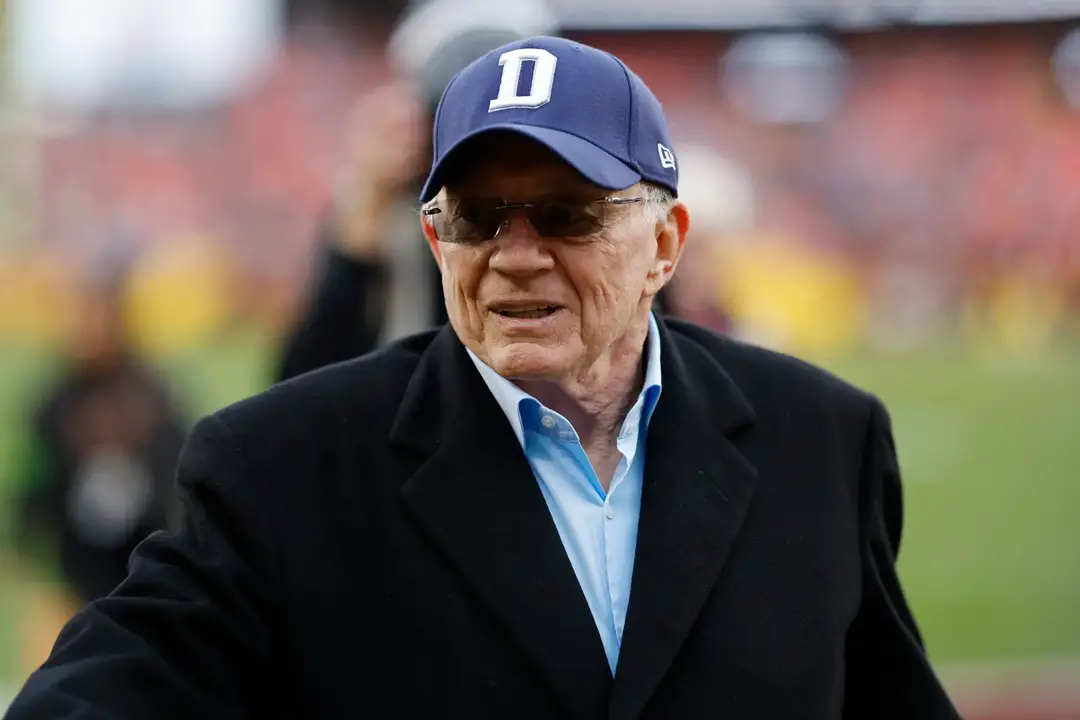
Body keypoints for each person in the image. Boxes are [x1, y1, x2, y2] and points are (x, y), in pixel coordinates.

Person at [6, 36, 960, 719]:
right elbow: (117, 681)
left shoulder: (823, 439)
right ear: (433, 236)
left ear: (665, 244)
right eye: (478, 216)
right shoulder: (279, 463)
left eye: (568, 215)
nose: (516, 254)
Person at [10, 250, 187, 669]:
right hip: (74, 573)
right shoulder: (55, 400)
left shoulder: (151, 395)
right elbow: (36, 478)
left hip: (140, 569)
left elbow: (178, 468)